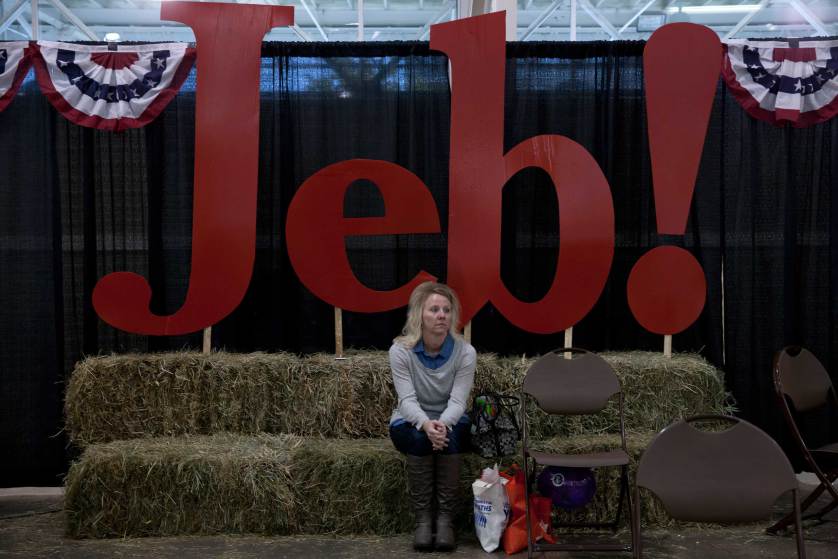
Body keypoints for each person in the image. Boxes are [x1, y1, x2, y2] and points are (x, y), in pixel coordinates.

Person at [388, 281, 476, 551]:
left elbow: (459, 401)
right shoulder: (400, 351)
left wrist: (441, 426)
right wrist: (427, 425)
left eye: (447, 310)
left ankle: (445, 521)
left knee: (455, 435)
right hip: (412, 419)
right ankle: (424, 522)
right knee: (418, 438)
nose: (441, 315)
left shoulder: (465, 352)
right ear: (419, 316)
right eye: (434, 309)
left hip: (450, 417)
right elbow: (406, 401)